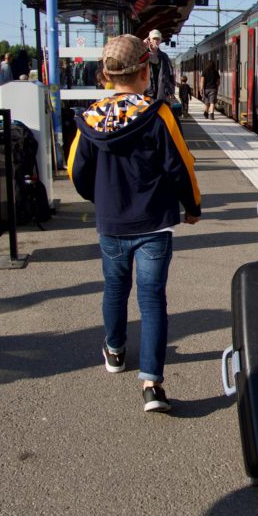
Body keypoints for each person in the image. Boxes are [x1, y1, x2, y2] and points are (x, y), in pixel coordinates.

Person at [68, 34, 202, 413]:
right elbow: (181, 165)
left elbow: (76, 170)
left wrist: (101, 199)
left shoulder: (91, 117)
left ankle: (114, 351)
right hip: (154, 224)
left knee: (114, 288)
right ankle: (152, 384)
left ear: (106, 75)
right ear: (145, 71)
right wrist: (192, 206)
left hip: (111, 222)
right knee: (152, 298)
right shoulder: (157, 114)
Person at [144, 28, 175, 102]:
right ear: (149, 40)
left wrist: (171, 90)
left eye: (158, 39)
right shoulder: (143, 55)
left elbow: (170, 74)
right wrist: (143, 47)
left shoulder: (164, 56)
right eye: (154, 39)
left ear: (160, 41)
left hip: (162, 93)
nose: (156, 41)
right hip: (147, 94)